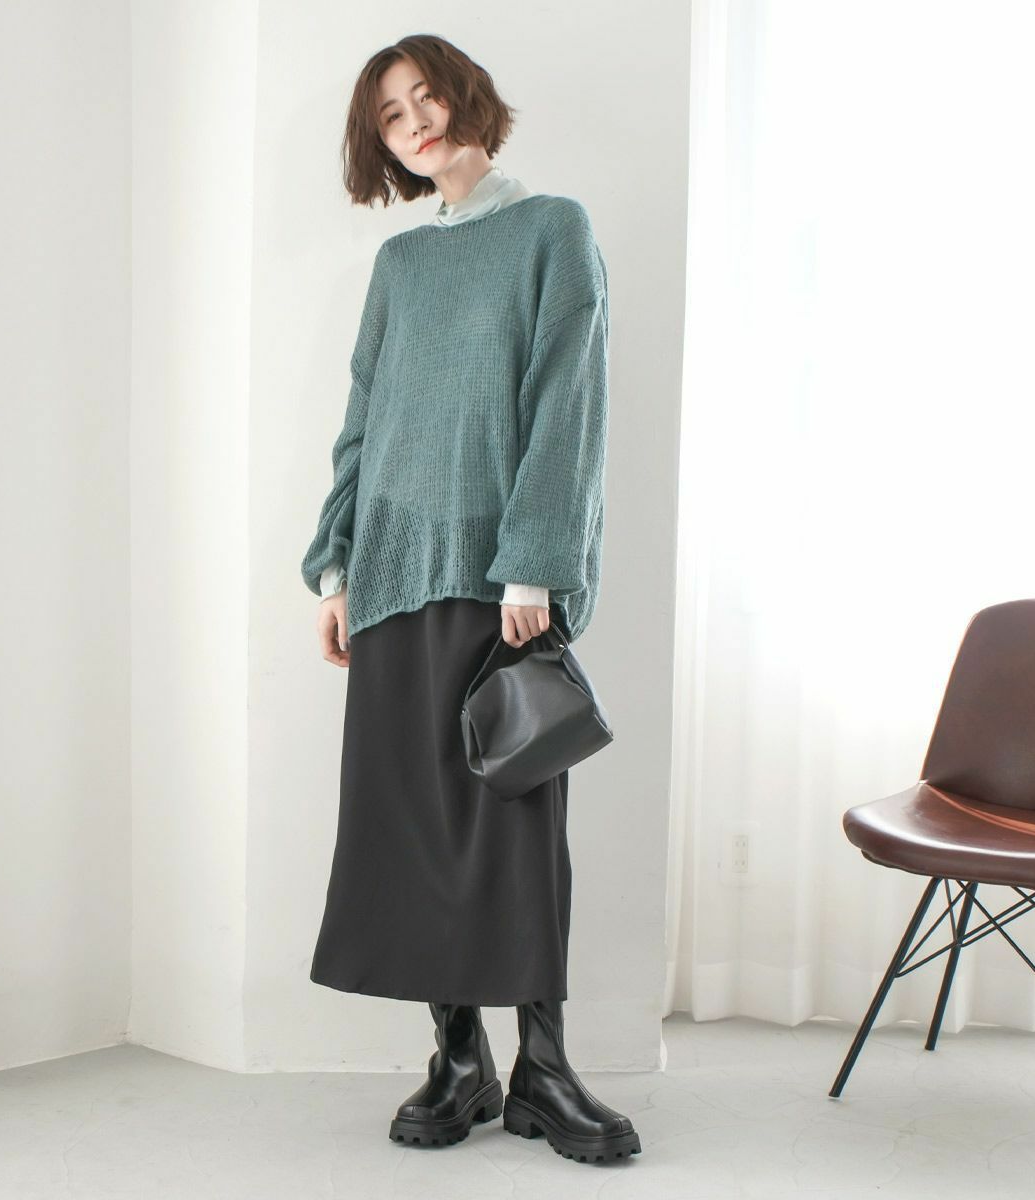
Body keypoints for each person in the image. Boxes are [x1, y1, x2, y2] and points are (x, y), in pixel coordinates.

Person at [300, 34, 639, 1163]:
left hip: (502, 586)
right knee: (410, 820)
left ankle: (544, 1067)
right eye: (390, 116)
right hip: (393, 574)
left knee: (515, 824)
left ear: (464, 95)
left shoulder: (553, 230)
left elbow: (568, 400)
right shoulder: (400, 264)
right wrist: (337, 566)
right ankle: (459, 1061)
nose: (415, 123)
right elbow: (363, 418)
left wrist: (533, 561)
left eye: (425, 96)